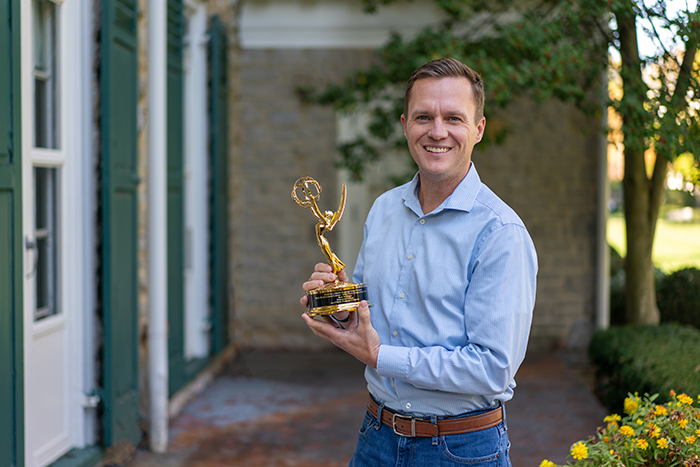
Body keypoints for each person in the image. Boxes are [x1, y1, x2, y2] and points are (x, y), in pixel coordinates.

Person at [300, 57, 537, 466]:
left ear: (478, 129)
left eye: (454, 118)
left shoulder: (500, 233)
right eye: (423, 116)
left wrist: (380, 356)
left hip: (460, 451)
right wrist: (337, 306)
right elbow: (368, 318)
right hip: (376, 438)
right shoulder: (384, 209)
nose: (437, 131)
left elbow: (492, 368)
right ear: (405, 125)